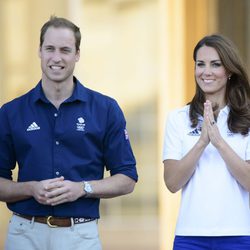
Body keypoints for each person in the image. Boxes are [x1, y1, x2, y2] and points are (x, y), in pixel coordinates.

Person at [0, 16, 138, 250]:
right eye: (50, 49)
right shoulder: (11, 112)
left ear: (77, 54)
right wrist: (30, 189)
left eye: (65, 50)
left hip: (80, 235)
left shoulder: (105, 109)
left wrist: (81, 189)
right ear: (39, 51)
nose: (56, 57)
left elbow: (127, 179)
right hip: (24, 235)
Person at [163, 34, 250, 250]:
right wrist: (201, 142)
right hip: (189, 236)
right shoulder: (178, 118)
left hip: (239, 234)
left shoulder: (247, 118)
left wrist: (219, 142)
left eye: (215, 64)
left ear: (229, 71)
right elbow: (172, 183)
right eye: (200, 64)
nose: (206, 72)